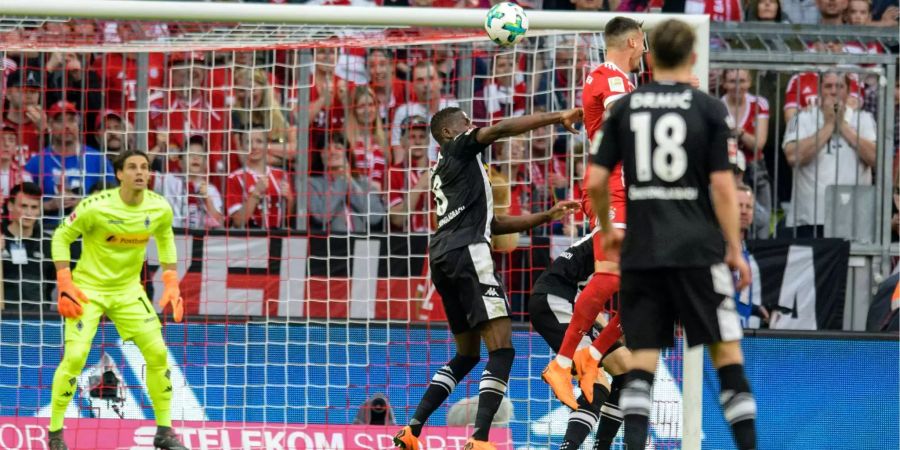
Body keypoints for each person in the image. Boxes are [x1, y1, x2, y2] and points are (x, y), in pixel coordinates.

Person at [588, 19, 756, 450]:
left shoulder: (626, 107)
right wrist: (734, 249)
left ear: (652, 56)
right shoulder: (707, 108)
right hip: (699, 249)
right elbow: (723, 186)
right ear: (692, 57)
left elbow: (595, 180)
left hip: (644, 252)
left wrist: (608, 230)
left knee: (641, 363)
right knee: (727, 359)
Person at [392, 107, 582, 450]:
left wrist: (546, 215)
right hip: (468, 253)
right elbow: (501, 129)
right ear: (450, 133)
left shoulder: (451, 170)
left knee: (466, 355)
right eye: (466, 123)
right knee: (502, 350)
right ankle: (479, 439)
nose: (473, 126)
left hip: (443, 256)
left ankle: (412, 430)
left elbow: (494, 225)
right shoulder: (458, 149)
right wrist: (559, 117)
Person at [46, 149, 187, 450]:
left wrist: (171, 281)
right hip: (88, 289)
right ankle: (55, 432)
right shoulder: (95, 207)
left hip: (128, 292)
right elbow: (60, 236)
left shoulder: (159, 208)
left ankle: (164, 431)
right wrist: (65, 280)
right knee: (74, 358)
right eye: (133, 167)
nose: (140, 172)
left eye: (145, 167)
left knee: (158, 354)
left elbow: (166, 239)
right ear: (119, 174)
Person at [543, 16, 644, 412]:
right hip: (612, 186)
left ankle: (593, 355)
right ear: (634, 42)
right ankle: (563, 361)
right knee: (608, 276)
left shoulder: (617, 80)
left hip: (631, 189)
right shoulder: (611, 78)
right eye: (644, 43)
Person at [527, 230, 634, 450]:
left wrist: (608, 337)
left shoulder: (627, 229)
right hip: (555, 299)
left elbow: (591, 295)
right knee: (596, 380)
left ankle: (602, 446)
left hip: (574, 303)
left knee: (626, 367)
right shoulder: (628, 234)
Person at [782, 71, 876, 238]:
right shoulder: (800, 118)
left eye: (840, 86)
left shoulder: (865, 119)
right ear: (819, 90)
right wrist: (828, 126)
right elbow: (792, 157)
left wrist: (844, 128)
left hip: (853, 218)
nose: (834, 91)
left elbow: (877, 159)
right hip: (809, 219)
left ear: (848, 91)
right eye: (828, 86)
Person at [24, 101, 117, 226]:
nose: (66, 126)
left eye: (71, 120)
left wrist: (85, 203)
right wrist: (50, 205)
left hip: (89, 232)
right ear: (50, 125)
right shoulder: (36, 163)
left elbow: (115, 200)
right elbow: (21, 207)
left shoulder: (98, 159)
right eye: (60, 121)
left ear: (78, 124)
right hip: (48, 232)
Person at [308, 137, 387, 234]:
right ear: (320, 155)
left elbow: (375, 217)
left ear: (347, 154)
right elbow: (321, 216)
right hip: (328, 245)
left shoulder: (365, 184)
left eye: (338, 147)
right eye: (327, 148)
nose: (332, 152)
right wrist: (341, 181)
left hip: (361, 245)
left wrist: (350, 182)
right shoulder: (312, 184)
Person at [1, 182, 55, 315]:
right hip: (5, 319)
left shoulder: (48, 243)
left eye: (34, 207)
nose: (29, 213)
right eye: (23, 206)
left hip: (40, 320)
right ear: (10, 206)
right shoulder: (1, 237)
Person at [225, 129, 295, 229]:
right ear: (241, 146)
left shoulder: (281, 174)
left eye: (259, 141)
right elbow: (238, 222)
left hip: (277, 237)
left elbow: (288, 218)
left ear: (267, 145)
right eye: (248, 142)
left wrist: (290, 199)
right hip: (251, 240)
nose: (254, 146)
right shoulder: (234, 178)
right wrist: (255, 193)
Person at [387, 116, 432, 233]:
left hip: (438, 242)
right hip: (405, 245)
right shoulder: (393, 173)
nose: (417, 142)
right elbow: (397, 219)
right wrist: (420, 185)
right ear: (402, 142)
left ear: (428, 141)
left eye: (422, 137)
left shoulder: (442, 169)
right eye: (412, 137)